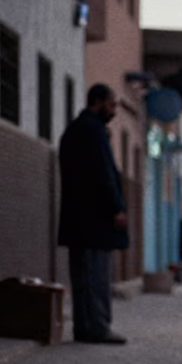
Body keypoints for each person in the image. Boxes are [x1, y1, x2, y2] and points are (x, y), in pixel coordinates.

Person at [58, 83, 129, 344]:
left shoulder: (75, 130)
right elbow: (103, 174)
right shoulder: (92, 131)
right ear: (97, 102)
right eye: (111, 105)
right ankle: (97, 327)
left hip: (80, 219)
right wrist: (116, 208)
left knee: (83, 276)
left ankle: (85, 328)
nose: (113, 112)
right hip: (94, 221)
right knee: (96, 276)